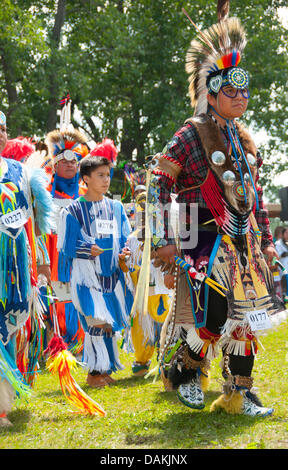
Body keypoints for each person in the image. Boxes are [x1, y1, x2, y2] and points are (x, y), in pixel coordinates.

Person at [146, 1, 286, 417]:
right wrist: (164, 240)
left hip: (243, 242)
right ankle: (185, 372)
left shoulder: (245, 140)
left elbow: (253, 196)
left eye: (245, 91)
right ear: (211, 93)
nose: (240, 98)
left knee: (245, 321)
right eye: (231, 91)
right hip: (202, 238)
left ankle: (239, 394)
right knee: (212, 314)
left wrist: (263, 243)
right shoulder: (192, 133)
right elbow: (158, 187)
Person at [57, 150, 134, 388]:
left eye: (108, 175)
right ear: (86, 179)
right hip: (86, 276)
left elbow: (124, 238)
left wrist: (126, 252)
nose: (106, 180)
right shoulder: (72, 211)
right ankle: (94, 372)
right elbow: (66, 246)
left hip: (113, 275)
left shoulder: (116, 207)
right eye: (100, 175)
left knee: (109, 323)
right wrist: (86, 249)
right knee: (95, 321)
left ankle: (106, 368)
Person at [0, 111, 52, 426]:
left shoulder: (20, 171)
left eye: (3, 128)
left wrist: (41, 261)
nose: (0, 133)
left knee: (5, 329)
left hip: (14, 270)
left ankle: (2, 405)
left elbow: (36, 221)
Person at [42, 127, 89, 354]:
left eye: (74, 162)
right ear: (55, 165)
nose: (71, 165)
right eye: (65, 162)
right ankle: (58, 341)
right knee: (58, 297)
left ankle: (81, 341)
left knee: (79, 297)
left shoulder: (87, 193)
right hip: (52, 258)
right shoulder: (44, 193)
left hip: (81, 258)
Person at [275, 227, 288, 302]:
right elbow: (278, 255)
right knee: (284, 285)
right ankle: (283, 298)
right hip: (282, 269)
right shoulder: (278, 243)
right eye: (286, 233)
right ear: (283, 234)